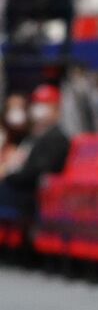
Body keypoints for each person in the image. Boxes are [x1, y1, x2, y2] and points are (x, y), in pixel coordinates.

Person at [0, 85, 69, 221]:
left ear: (57, 110)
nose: (39, 110)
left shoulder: (56, 138)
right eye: (38, 104)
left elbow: (36, 171)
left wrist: (8, 176)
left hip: (33, 197)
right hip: (21, 192)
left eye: (45, 105)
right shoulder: (35, 136)